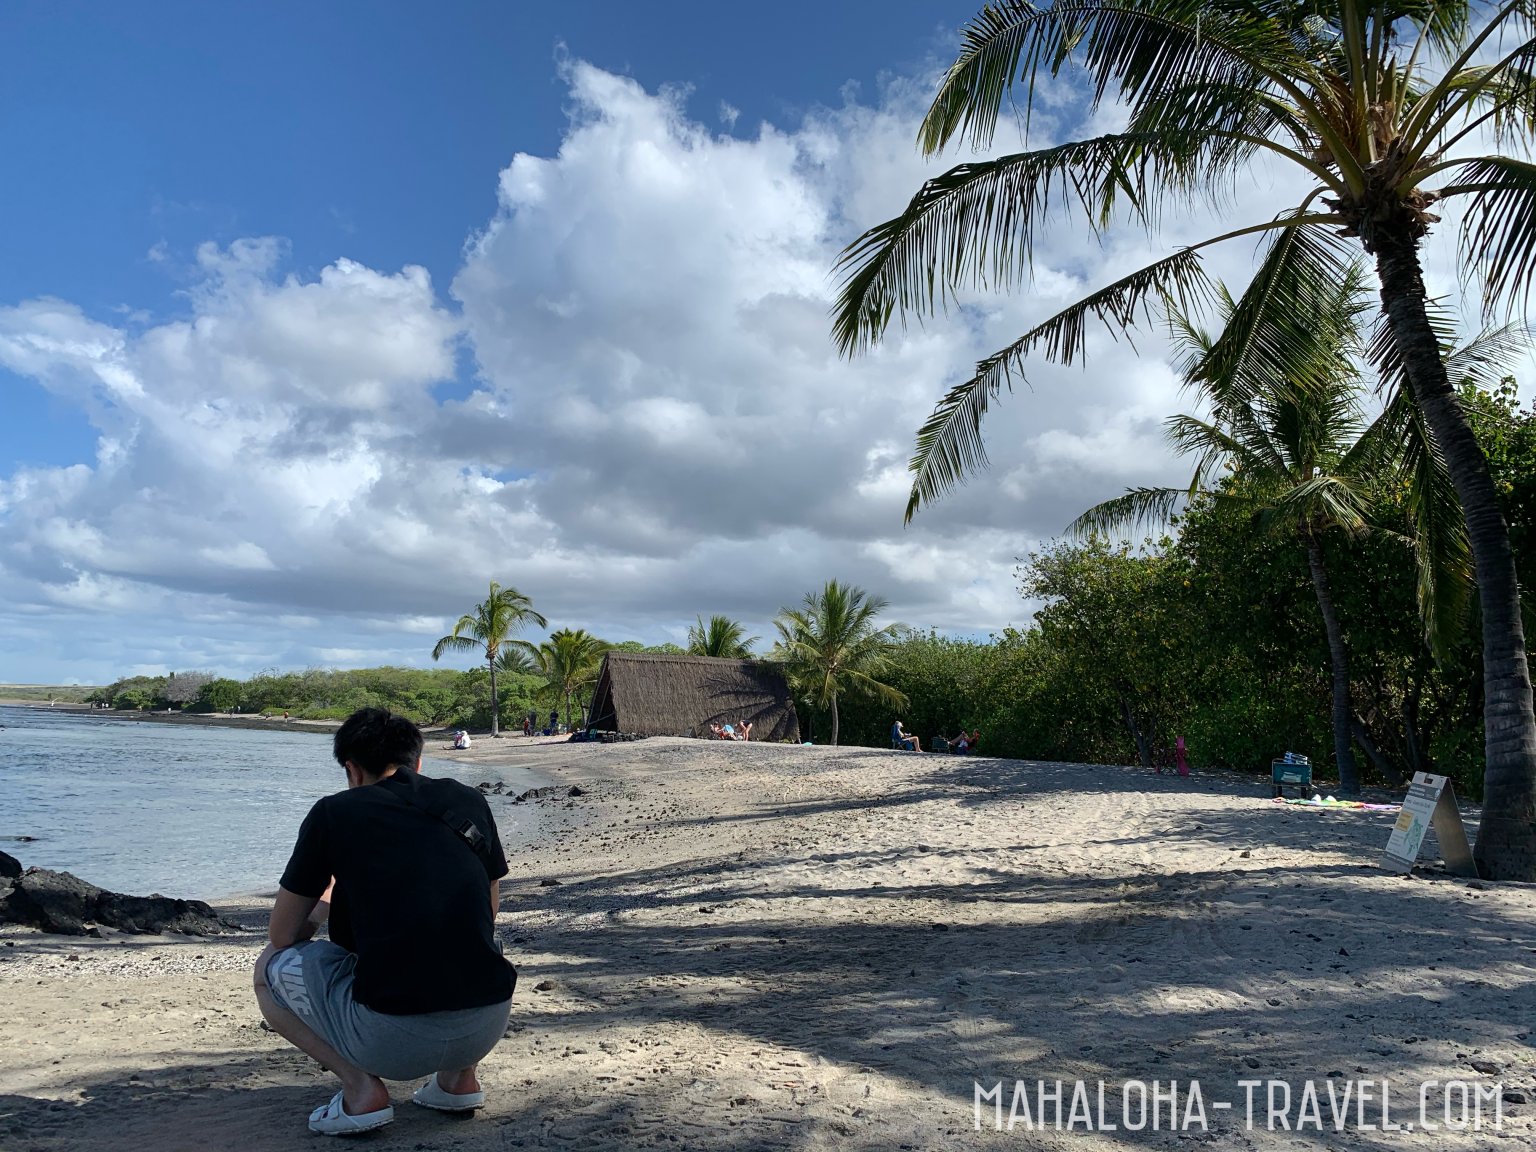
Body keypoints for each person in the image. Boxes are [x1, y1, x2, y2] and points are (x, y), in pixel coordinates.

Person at [253, 708, 515, 1136]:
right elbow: (488, 911)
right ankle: (458, 1079)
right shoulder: (468, 800)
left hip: (389, 1044)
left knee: (268, 968)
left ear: (351, 770)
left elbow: (283, 934)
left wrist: (326, 899)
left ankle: (361, 1090)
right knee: (476, 937)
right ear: (418, 762)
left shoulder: (334, 814)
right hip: (485, 1023)